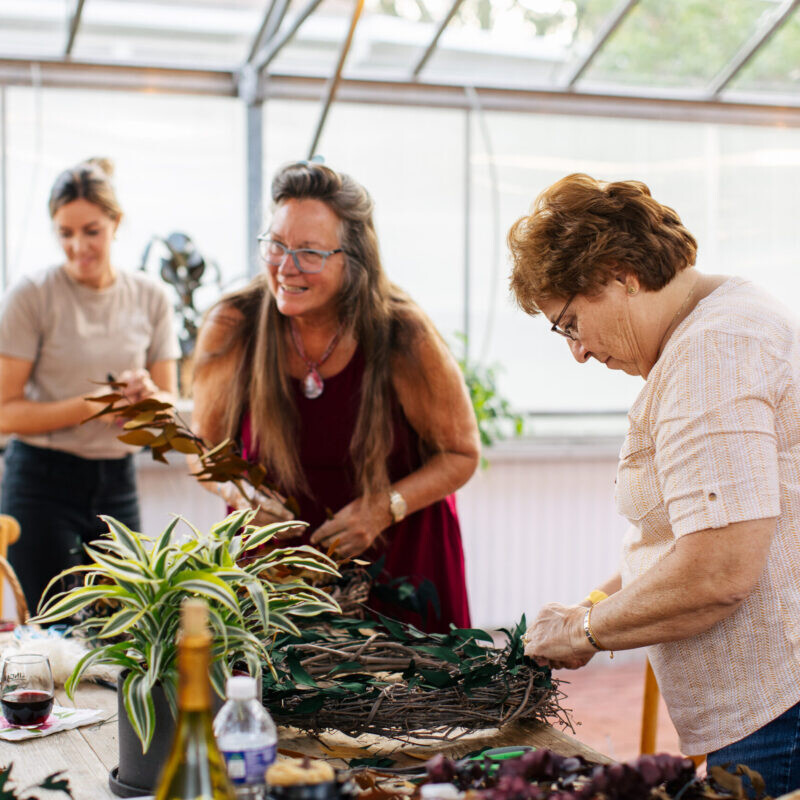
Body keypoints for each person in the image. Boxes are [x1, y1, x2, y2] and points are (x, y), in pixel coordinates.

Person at [508, 173, 800, 795]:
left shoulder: (712, 356)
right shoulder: (723, 322)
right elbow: (701, 530)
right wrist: (593, 607)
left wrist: (586, 631)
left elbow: (718, 570)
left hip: (778, 707)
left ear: (620, 274)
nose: (578, 352)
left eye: (569, 322)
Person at [191, 160, 479, 632]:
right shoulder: (233, 324)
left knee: (406, 705)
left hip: (399, 569)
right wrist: (234, 489)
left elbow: (462, 453)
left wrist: (383, 508)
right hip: (275, 584)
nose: (285, 267)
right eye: (276, 245)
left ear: (354, 260)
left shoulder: (403, 334)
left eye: (308, 252)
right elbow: (202, 448)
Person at [0, 157, 179, 612]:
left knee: (127, 627)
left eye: (91, 231)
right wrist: (95, 404)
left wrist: (146, 400)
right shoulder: (32, 296)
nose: (78, 245)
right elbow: (5, 412)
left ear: (116, 223)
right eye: (65, 233)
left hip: (117, 480)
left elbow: (168, 406)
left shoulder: (152, 297)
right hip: (39, 480)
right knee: (44, 627)